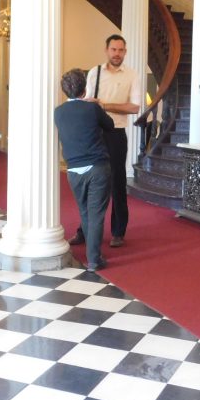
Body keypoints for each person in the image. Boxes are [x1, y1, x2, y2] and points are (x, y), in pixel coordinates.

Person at [70, 33, 141, 249]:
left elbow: (135, 107)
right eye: (114, 49)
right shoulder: (95, 73)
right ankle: (85, 229)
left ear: (125, 52)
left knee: (117, 184)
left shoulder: (132, 75)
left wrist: (105, 105)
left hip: (116, 134)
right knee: (90, 183)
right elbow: (87, 101)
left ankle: (118, 232)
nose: (117, 54)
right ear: (106, 50)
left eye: (121, 50)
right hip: (95, 134)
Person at [54, 68, 113, 272]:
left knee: (85, 212)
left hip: (73, 170)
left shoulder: (58, 112)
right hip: (97, 167)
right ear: (85, 88)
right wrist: (99, 105)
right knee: (96, 214)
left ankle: (93, 254)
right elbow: (110, 125)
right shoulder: (92, 109)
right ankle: (94, 259)